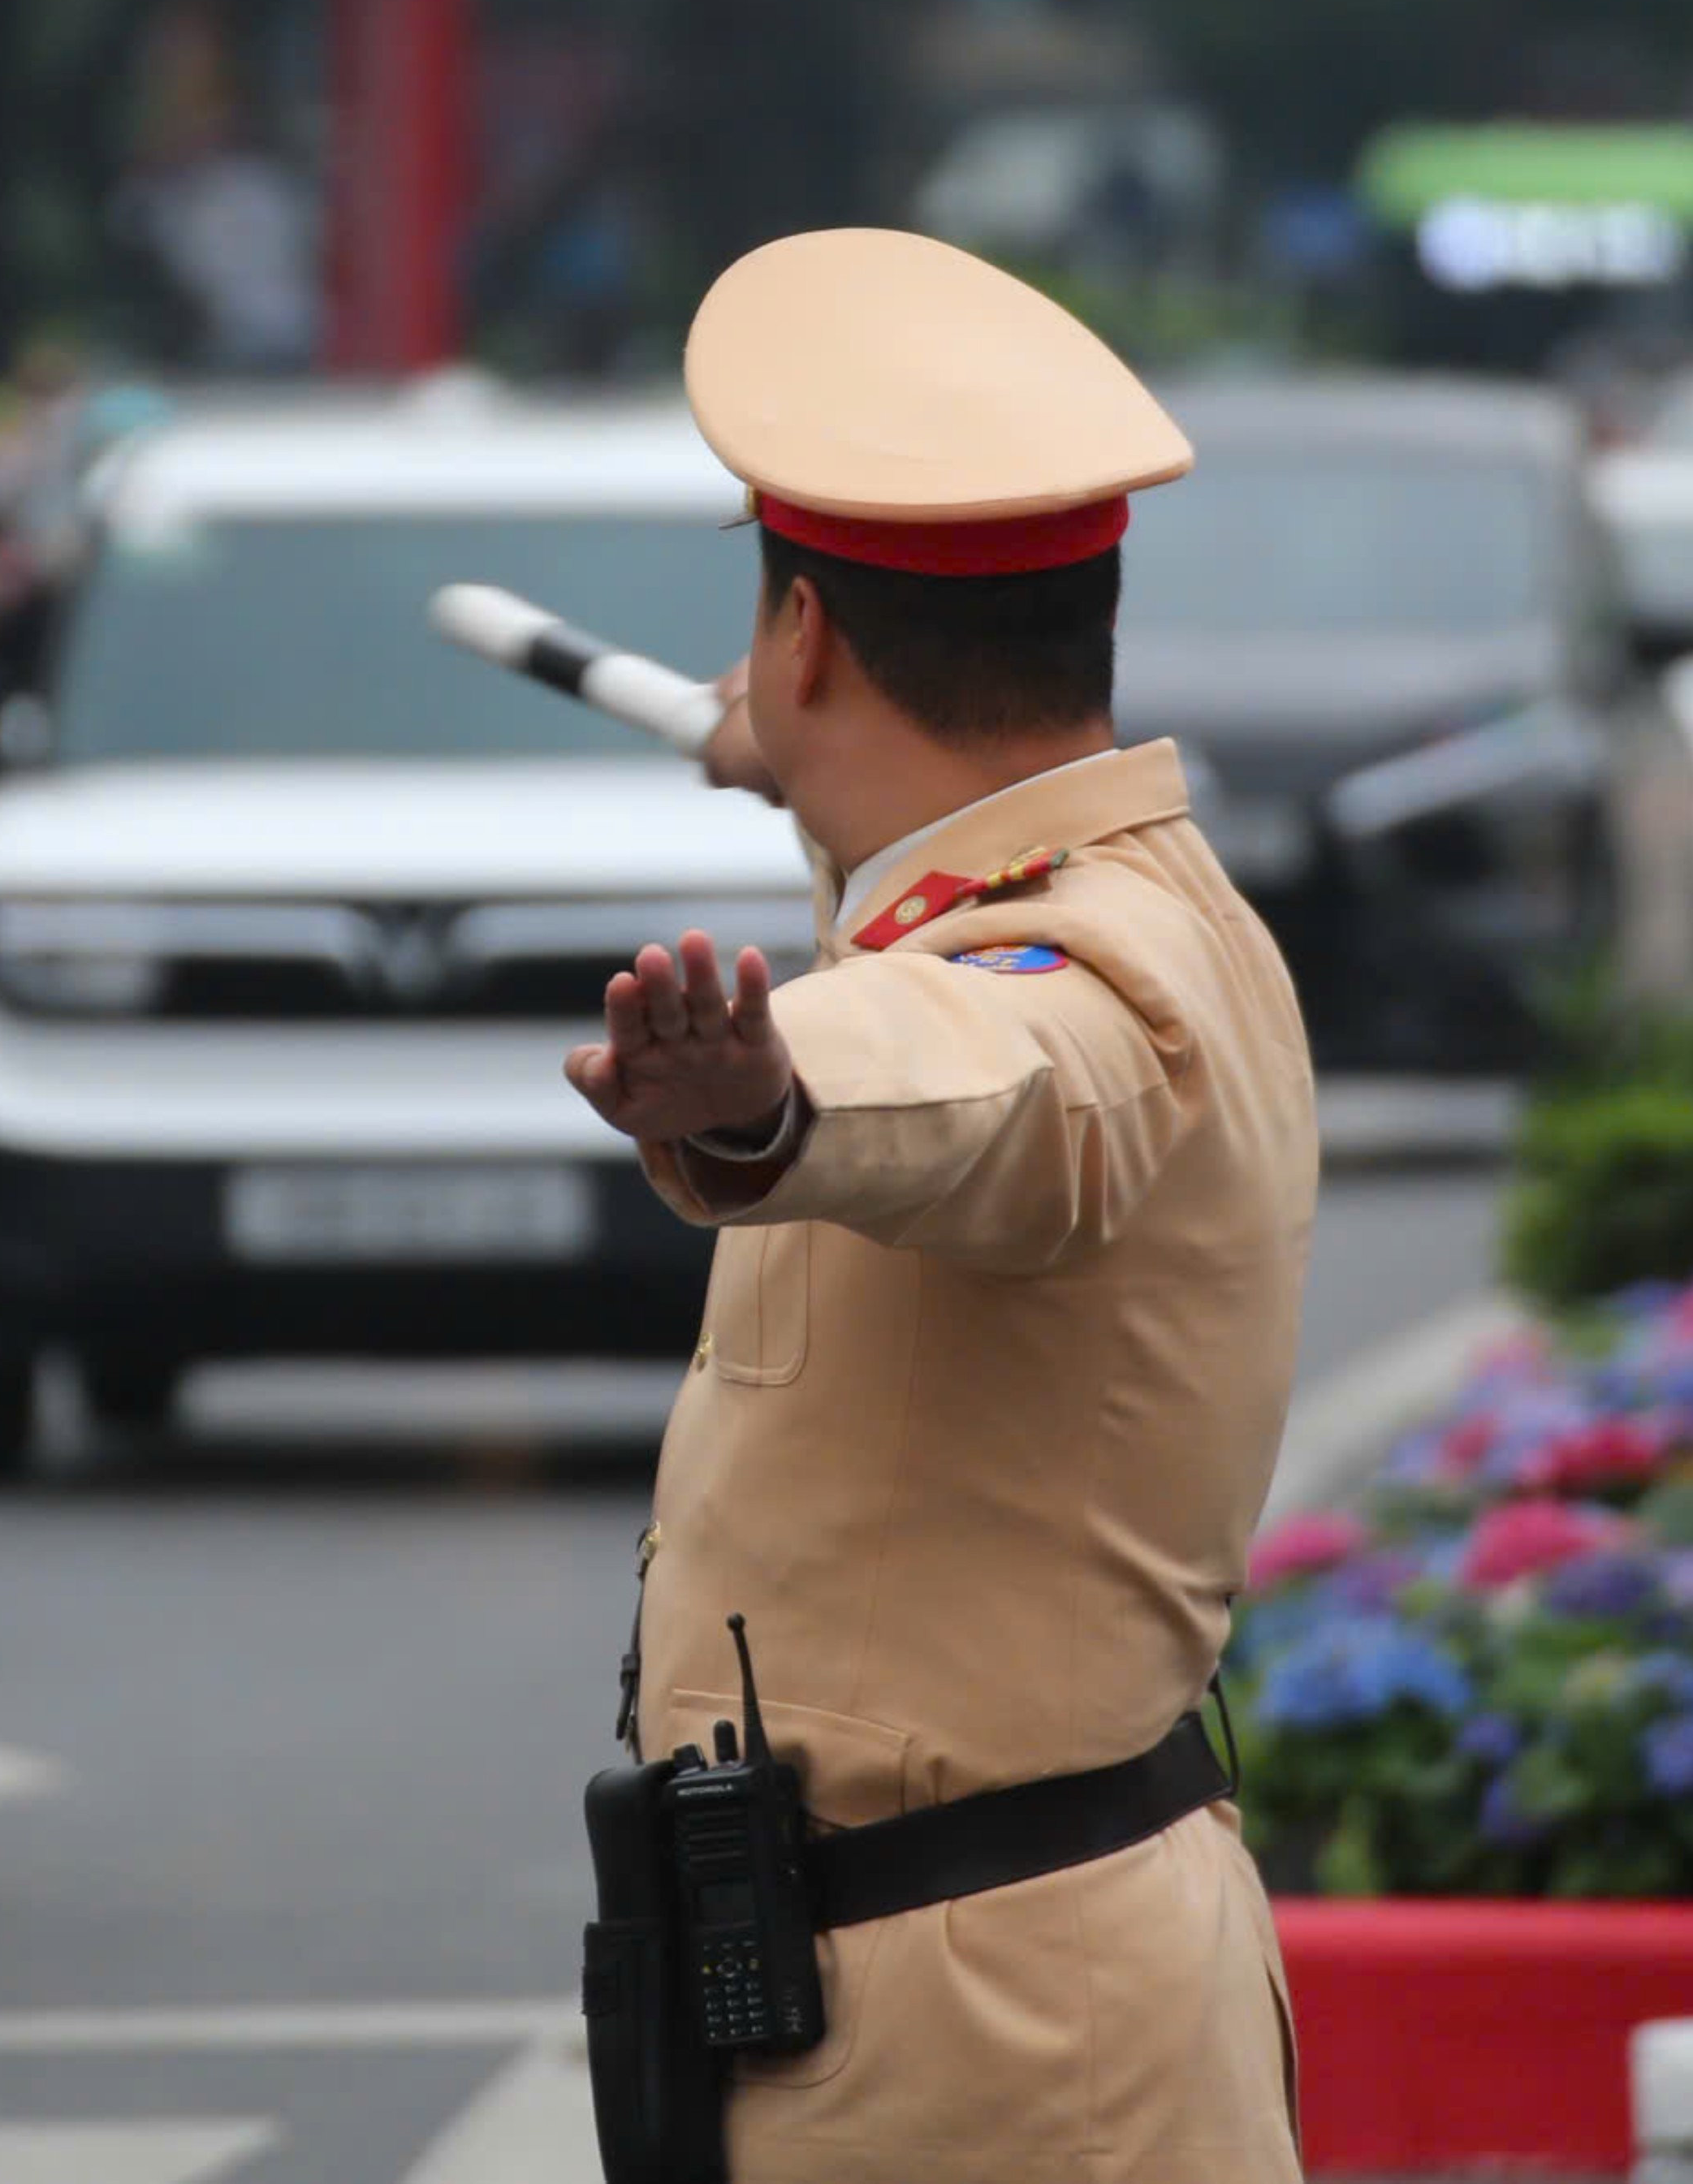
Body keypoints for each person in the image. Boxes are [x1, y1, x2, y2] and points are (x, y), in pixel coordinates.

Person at [560, 227, 1319, 2182]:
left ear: (804, 633)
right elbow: (936, 931)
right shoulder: (1119, 890)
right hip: (990, 1988)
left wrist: (761, 1107)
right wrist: (799, 757)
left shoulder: (1083, 979)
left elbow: (976, 1078)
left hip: (996, 2055)